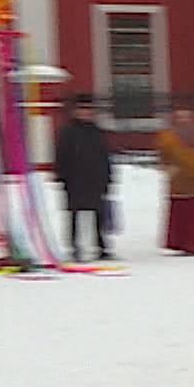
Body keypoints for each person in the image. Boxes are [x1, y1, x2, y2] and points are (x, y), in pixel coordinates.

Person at [53, 95, 114, 262]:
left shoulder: (97, 132)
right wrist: (61, 176)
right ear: (75, 112)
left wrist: (108, 177)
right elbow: (61, 155)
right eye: (82, 110)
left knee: (99, 215)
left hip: (95, 180)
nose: (86, 113)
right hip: (74, 180)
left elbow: (105, 156)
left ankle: (101, 247)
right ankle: (74, 247)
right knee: (74, 215)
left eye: (89, 110)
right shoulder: (67, 132)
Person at [153, 107, 194, 256]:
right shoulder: (167, 137)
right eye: (180, 117)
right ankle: (180, 244)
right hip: (179, 183)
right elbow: (162, 156)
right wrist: (169, 169)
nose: (184, 120)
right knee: (180, 215)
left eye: (187, 117)